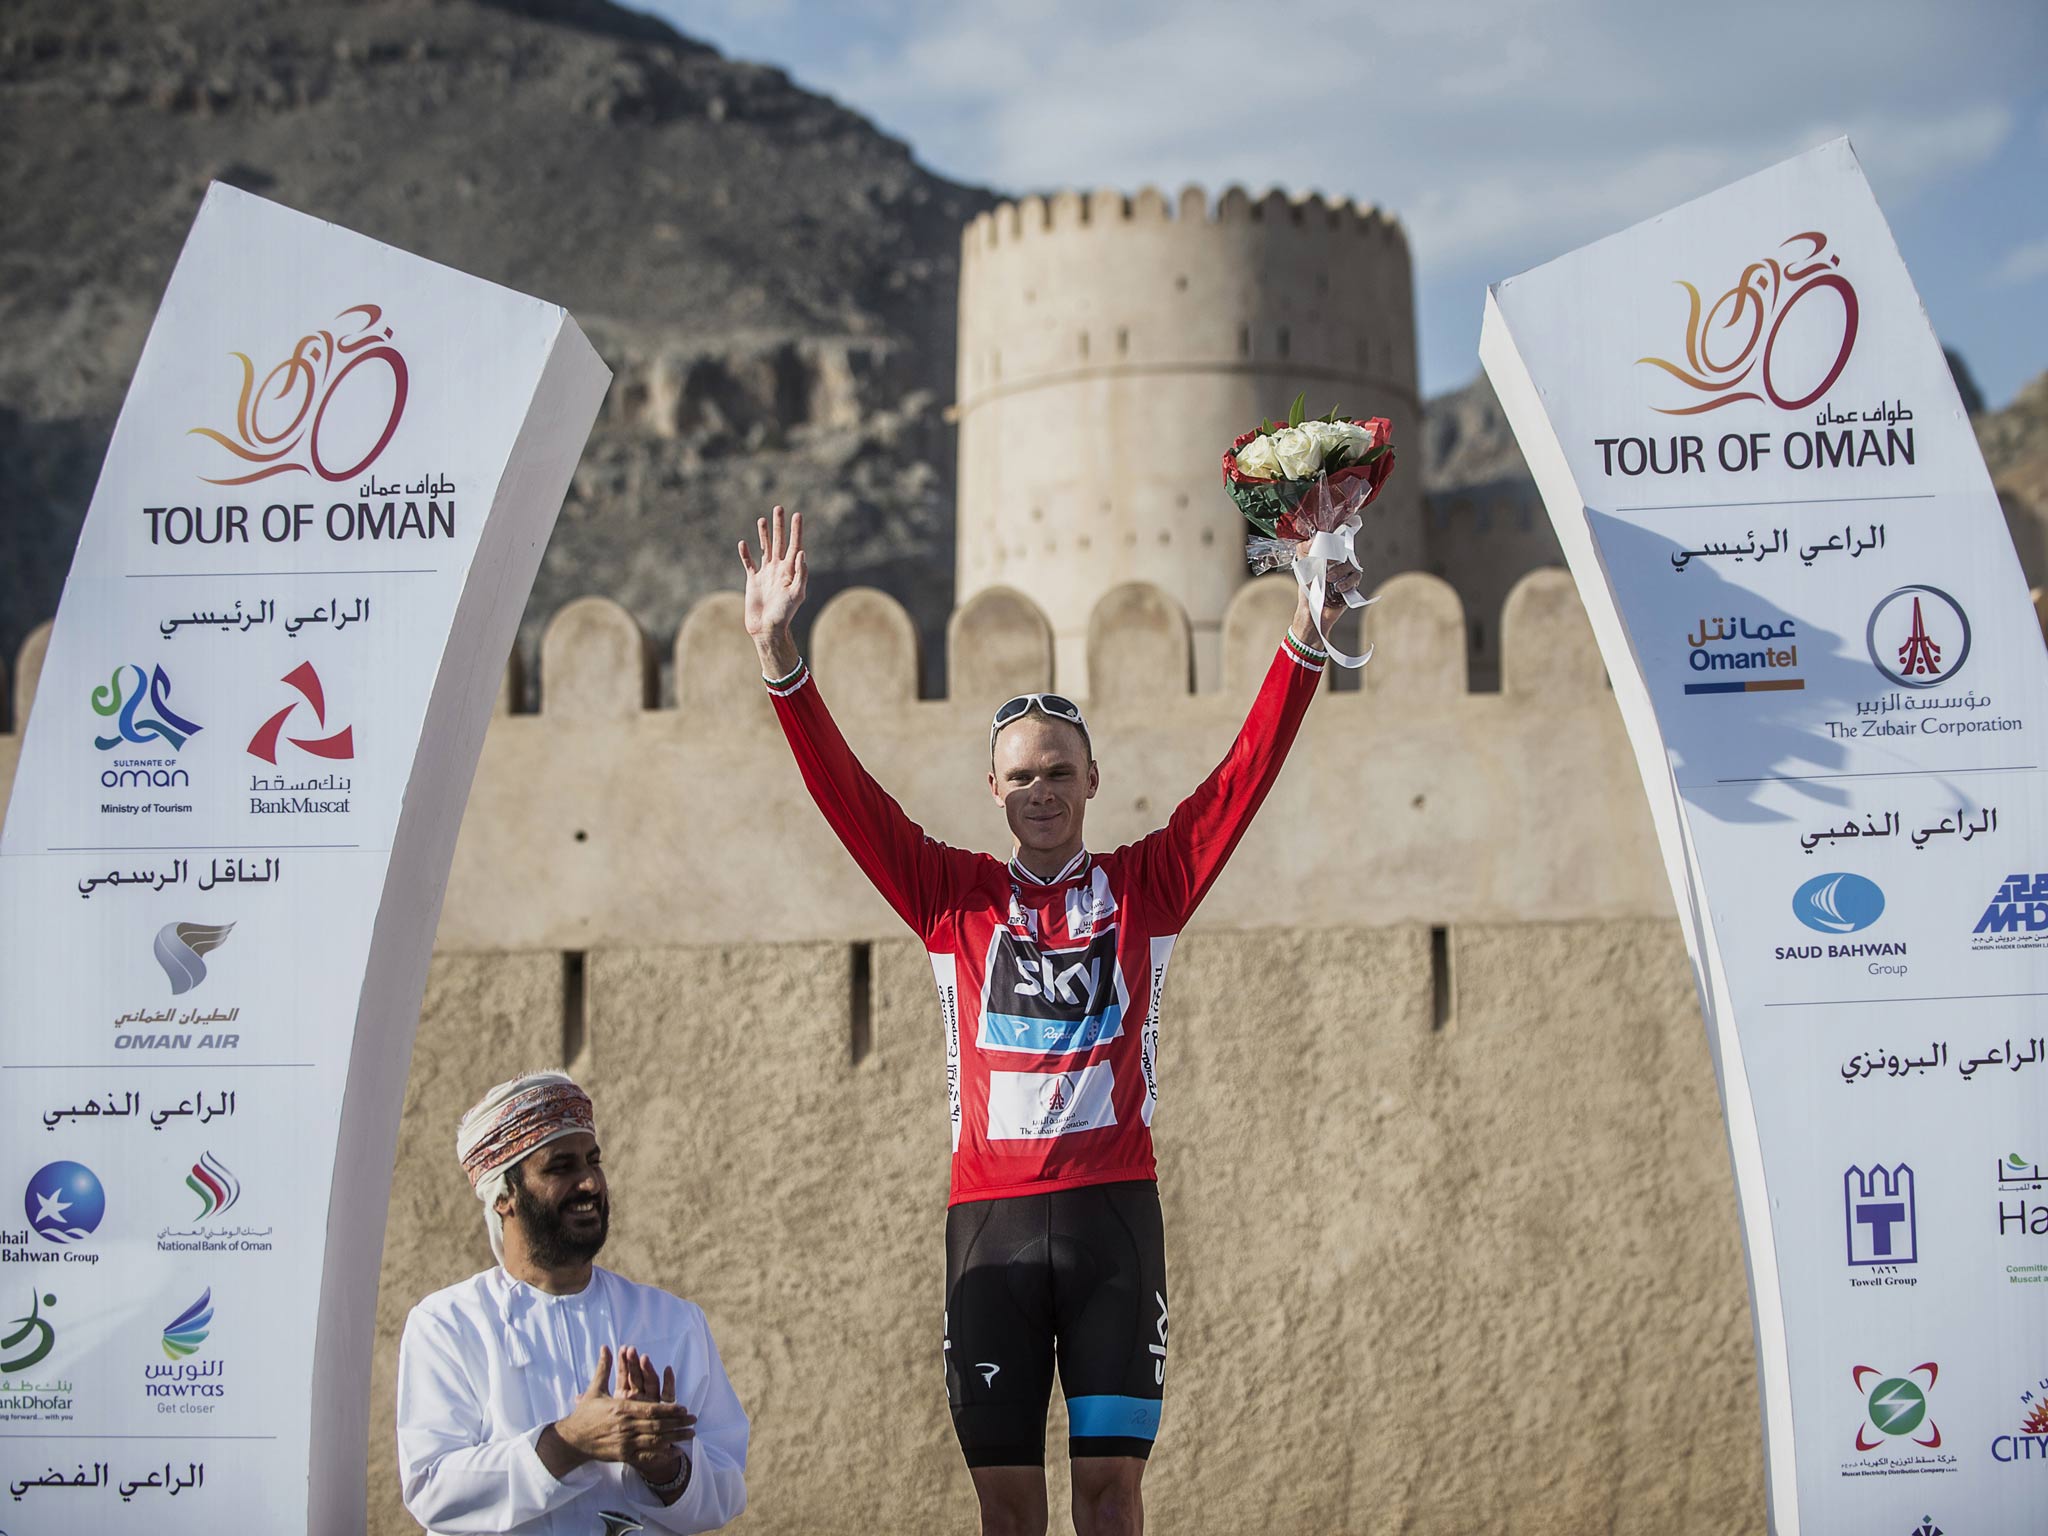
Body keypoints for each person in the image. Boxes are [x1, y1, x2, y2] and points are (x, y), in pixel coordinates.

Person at [738, 506, 1342, 1536]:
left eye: (1059, 771)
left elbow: (1244, 776)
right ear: (994, 792)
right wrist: (778, 654)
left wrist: (1306, 626)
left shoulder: (1149, 883)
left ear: (1092, 781)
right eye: (1021, 776)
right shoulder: (948, 894)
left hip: (1115, 1229)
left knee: (1110, 1502)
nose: (1042, 791)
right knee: (1007, 1512)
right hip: (989, 1229)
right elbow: (849, 801)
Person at [396, 1071, 748, 1535]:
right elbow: (432, 1489)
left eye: (593, 1161)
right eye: (561, 1167)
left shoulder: (673, 1321)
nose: (589, 1184)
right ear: (504, 1196)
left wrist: (664, 1467)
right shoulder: (448, 1325)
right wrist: (570, 1443)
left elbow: (724, 1490)